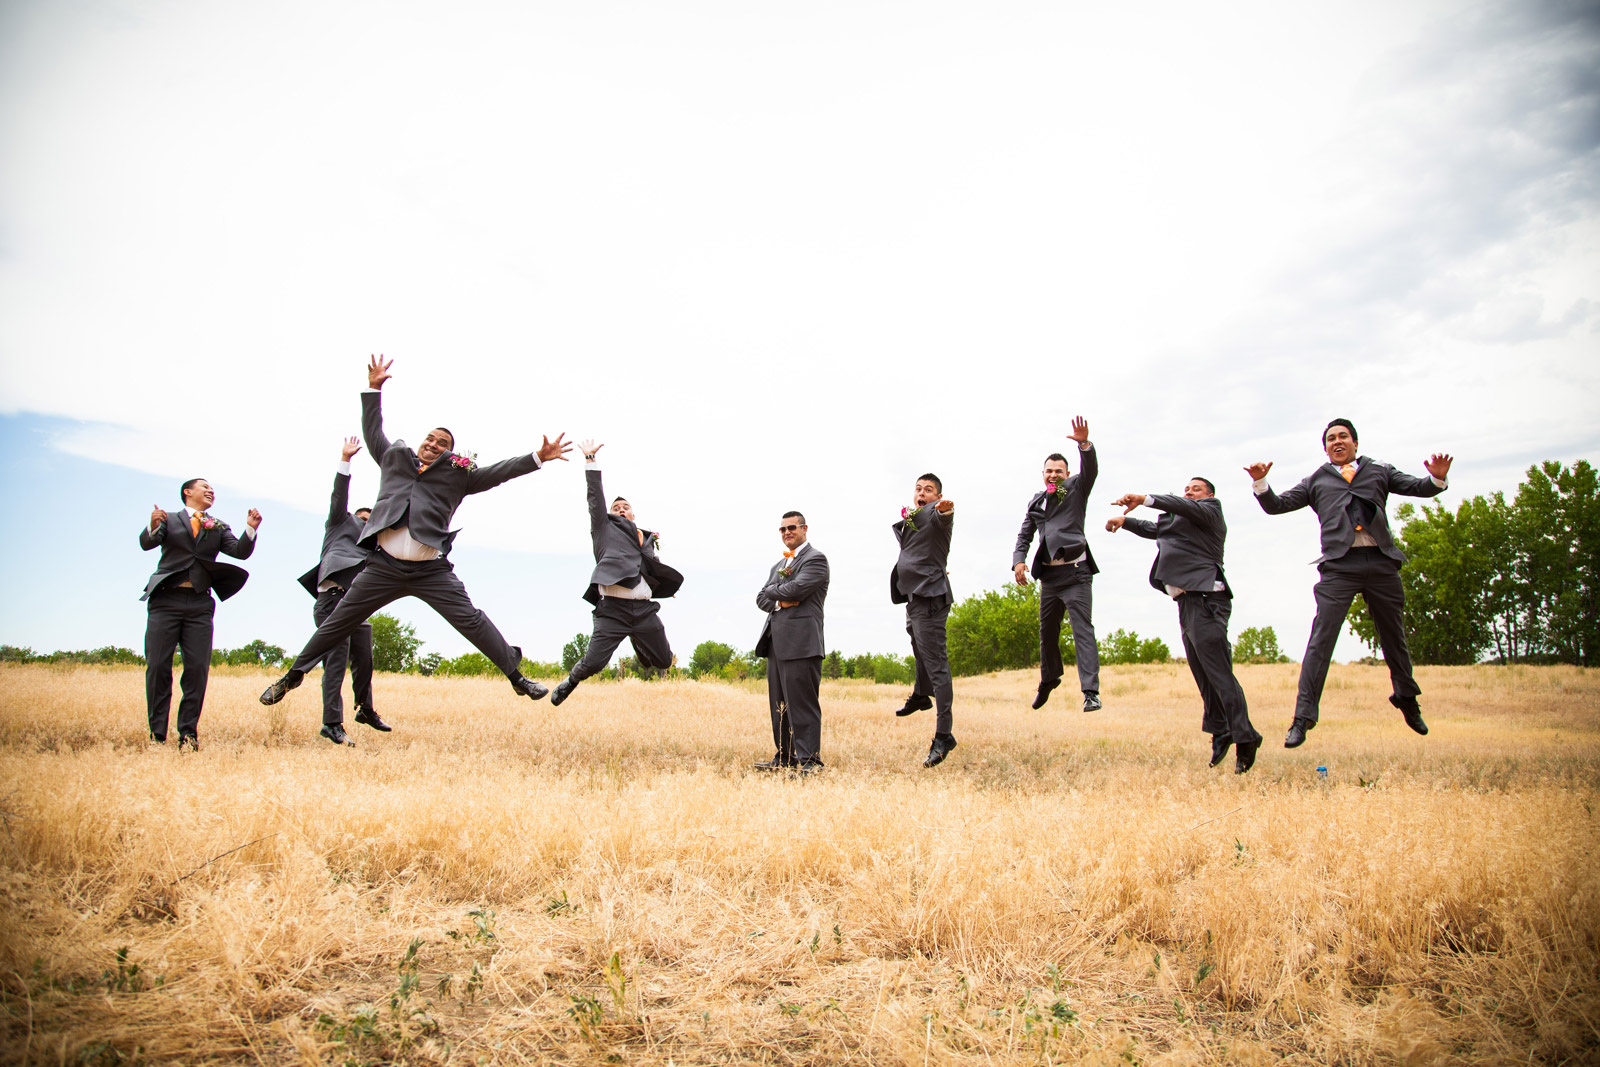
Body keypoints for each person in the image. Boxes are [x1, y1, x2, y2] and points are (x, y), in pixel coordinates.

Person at [260, 355, 572, 712]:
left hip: (430, 570)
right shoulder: (394, 458)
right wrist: (373, 389)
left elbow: (499, 472)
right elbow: (373, 431)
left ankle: (517, 678)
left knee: (471, 619)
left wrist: (537, 457)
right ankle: (293, 676)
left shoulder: (459, 476)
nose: (433, 444)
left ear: (450, 454)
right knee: (339, 620)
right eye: (430, 438)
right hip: (382, 568)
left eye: (443, 443)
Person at [1247, 418, 1453, 747]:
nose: (1337, 441)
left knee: (1394, 636)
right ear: (1325, 448)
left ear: (1356, 443)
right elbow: (1277, 506)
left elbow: (1419, 487)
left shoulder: (1379, 471)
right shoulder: (1316, 479)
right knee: (1321, 640)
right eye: (1331, 439)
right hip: (1339, 567)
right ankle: (1302, 718)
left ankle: (1406, 698)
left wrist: (1437, 478)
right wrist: (1261, 483)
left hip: (1381, 563)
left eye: (1343, 436)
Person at [1107, 478, 1262, 772]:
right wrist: (1125, 521)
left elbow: (1179, 505)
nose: (1189, 492)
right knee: (1203, 675)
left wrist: (1145, 498)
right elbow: (1154, 529)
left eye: (1196, 489)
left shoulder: (1211, 511)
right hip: (1187, 603)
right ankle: (1222, 730)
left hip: (1206, 599)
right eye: (1186, 489)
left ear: (1210, 495)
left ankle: (1246, 737)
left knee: (1220, 674)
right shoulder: (1181, 525)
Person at [550, 441, 682, 705]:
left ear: (634, 513)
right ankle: (570, 682)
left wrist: (661, 584)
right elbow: (595, 498)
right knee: (594, 663)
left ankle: (637, 639)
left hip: (644, 610)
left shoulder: (646, 537)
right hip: (612, 610)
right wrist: (590, 460)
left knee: (664, 661)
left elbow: (649, 565)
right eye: (615, 507)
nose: (620, 509)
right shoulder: (604, 529)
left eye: (625, 507)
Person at [139, 478, 262, 750]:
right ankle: (157, 735)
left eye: (213, 490)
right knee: (158, 667)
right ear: (188, 492)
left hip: (199, 605)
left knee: (196, 670)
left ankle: (188, 735)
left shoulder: (217, 525)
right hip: (165, 600)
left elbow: (239, 553)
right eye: (204, 487)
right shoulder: (169, 520)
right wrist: (153, 524)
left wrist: (250, 530)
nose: (210, 491)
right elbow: (147, 543)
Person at [295, 436, 387, 745]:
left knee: (365, 658)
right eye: (365, 517)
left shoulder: (374, 545)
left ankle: (364, 708)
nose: (367, 522)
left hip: (355, 606)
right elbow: (339, 496)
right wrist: (345, 460)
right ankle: (331, 723)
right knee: (335, 662)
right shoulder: (339, 524)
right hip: (332, 601)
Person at [1013, 416, 1102, 711]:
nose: (1053, 475)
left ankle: (1090, 692)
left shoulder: (1076, 489)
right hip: (1049, 579)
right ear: (1042, 474)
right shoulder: (1036, 501)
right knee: (1047, 633)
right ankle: (1049, 679)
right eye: (1049, 471)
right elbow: (1025, 534)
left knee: (1081, 630)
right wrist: (1019, 562)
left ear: (1067, 473)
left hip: (1076, 574)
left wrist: (1084, 445)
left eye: (1059, 471)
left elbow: (1090, 471)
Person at [752, 511, 830, 772]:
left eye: (792, 527)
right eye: (782, 529)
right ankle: (784, 758)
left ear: (804, 529)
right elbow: (761, 598)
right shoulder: (778, 566)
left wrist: (775, 593)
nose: (787, 532)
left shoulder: (816, 559)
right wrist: (781, 600)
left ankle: (810, 761)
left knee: (803, 704)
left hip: (802, 643)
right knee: (780, 706)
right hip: (776, 643)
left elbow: (798, 589)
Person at [892, 473, 958, 767]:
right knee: (918, 647)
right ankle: (921, 694)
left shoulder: (935, 514)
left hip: (930, 599)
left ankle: (944, 736)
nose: (921, 493)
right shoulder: (916, 519)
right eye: (918, 489)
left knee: (937, 666)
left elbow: (945, 516)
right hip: (915, 598)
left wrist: (946, 509)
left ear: (936, 496)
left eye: (928, 490)